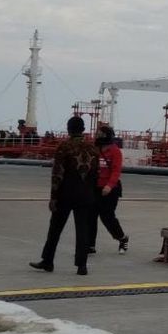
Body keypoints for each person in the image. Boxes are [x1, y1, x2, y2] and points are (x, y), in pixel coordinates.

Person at [30, 116, 100, 275]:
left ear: (69, 129)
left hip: (65, 194)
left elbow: (57, 174)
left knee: (55, 228)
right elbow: (96, 174)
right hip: (86, 195)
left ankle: (48, 261)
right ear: (82, 129)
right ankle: (82, 266)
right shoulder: (93, 149)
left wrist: (53, 197)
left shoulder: (64, 147)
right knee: (83, 230)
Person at [88, 124, 128, 255]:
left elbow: (116, 171)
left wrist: (109, 186)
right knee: (91, 216)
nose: (97, 136)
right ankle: (90, 245)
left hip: (110, 190)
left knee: (107, 216)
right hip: (95, 187)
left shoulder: (115, 151)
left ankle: (122, 238)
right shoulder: (95, 149)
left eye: (100, 134)